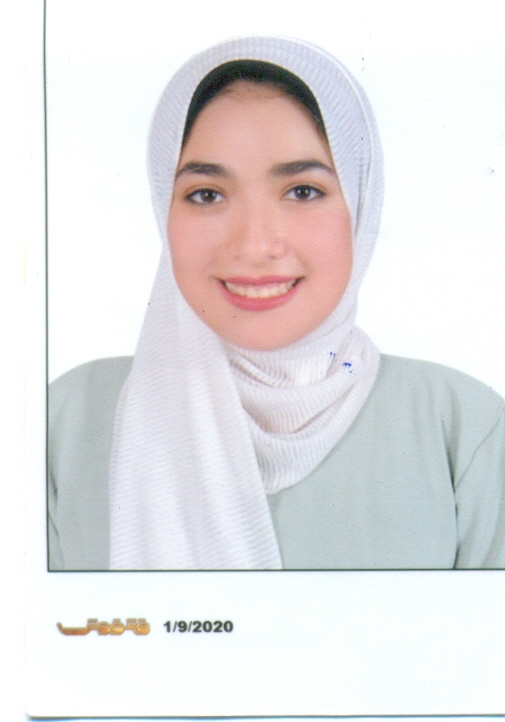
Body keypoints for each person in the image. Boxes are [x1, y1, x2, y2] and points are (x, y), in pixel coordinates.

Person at [48, 36, 505, 571]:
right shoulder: (67, 421)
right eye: (207, 195)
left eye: (302, 191)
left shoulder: (460, 425)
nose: (254, 244)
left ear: (361, 202)